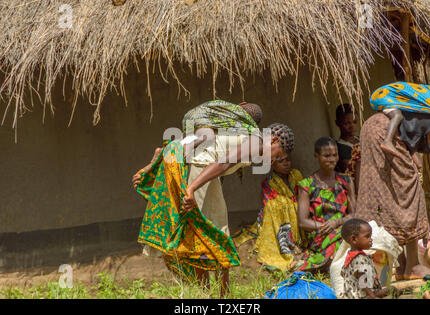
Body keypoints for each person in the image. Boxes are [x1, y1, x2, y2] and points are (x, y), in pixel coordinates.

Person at [133, 99, 294, 296]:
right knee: (211, 233)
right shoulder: (257, 142)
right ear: (275, 142)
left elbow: (188, 143)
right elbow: (223, 162)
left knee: (208, 232)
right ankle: (220, 296)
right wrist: (191, 188)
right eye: (277, 155)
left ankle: (209, 293)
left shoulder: (223, 130)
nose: (272, 160)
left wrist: (157, 162)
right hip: (196, 168)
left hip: (179, 159)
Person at [354, 109, 430, 280]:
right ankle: (413, 266)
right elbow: (418, 148)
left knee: (389, 195)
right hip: (386, 133)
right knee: (409, 190)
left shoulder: (419, 103)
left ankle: (401, 266)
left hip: (370, 129)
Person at [232, 152, 304, 271]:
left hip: (296, 215)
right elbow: (270, 206)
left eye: (287, 160)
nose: (286, 164)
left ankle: (294, 243)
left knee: (287, 205)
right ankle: (285, 248)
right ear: (272, 164)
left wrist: (291, 205)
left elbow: (303, 196)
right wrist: (289, 204)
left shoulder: (296, 175)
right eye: (281, 161)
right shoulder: (269, 182)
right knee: (275, 205)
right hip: (277, 218)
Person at [296, 137, 356, 272]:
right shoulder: (307, 185)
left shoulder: (346, 181)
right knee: (346, 243)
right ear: (316, 156)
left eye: (335, 155)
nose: (332, 159)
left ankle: (334, 264)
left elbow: (354, 214)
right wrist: (325, 227)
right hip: (320, 234)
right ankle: (332, 265)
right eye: (326, 155)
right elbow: (303, 222)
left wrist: (336, 223)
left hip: (343, 229)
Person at [370, 81, 430, 157]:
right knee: (398, 116)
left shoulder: (427, 96)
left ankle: (410, 151)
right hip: (383, 97)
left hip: (386, 96)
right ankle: (387, 141)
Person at [340, 218, 401, 299]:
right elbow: (362, 282)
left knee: (389, 290)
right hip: (362, 295)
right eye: (367, 236)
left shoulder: (350, 256)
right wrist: (372, 296)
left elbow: (342, 273)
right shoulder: (359, 258)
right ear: (354, 239)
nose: (371, 239)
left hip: (352, 295)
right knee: (391, 289)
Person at [335, 104, 359, 173]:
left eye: (355, 122)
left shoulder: (361, 139)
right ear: (337, 123)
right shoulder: (339, 148)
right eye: (346, 123)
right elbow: (351, 171)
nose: (352, 126)